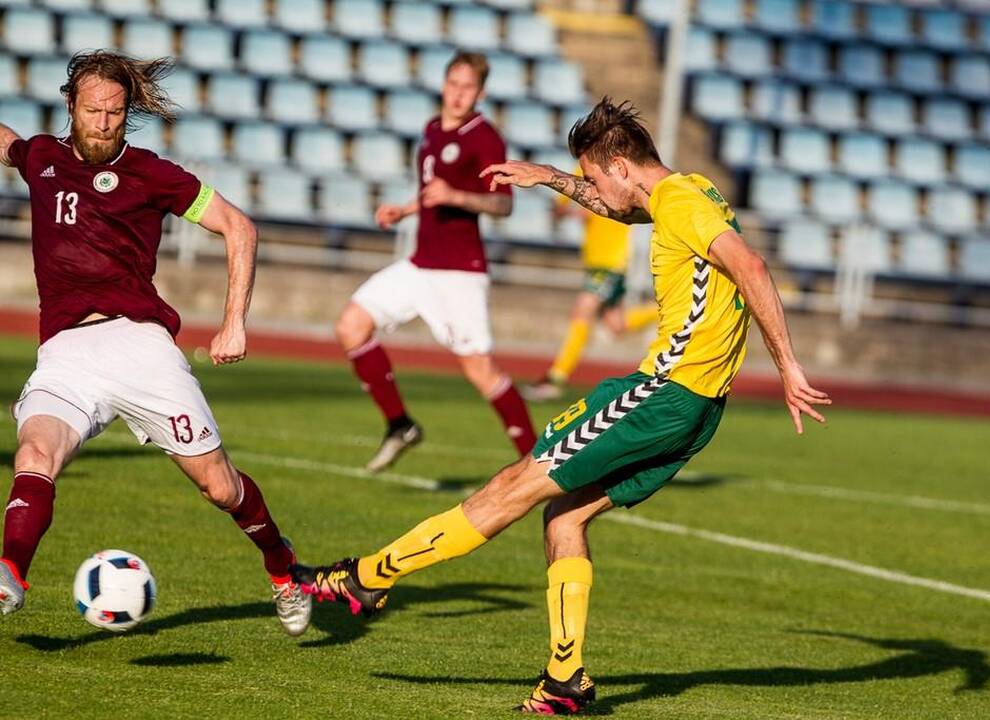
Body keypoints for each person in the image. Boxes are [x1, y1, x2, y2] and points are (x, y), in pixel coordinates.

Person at [291, 98, 830, 713]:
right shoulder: (689, 192)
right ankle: (565, 680)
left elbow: (752, 267)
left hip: (662, 393)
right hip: (697, 408)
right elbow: (622, 212)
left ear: (621, 164)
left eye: (597, 176)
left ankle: (366, 578)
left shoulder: (678, 202)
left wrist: (787, 365)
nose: (598, 193)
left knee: (513, 486)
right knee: (566, 518)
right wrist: (548, 176)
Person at [0, 51, 311, 636]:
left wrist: (233, 322)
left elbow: (238, 226)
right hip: (66, 351)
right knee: (34, 456)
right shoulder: (41, 157)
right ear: (71, 105)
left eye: (115, 113)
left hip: (141, 347)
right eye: (93, 110)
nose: (103, 122)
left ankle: (282, 564)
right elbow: (8, 142)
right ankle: (10, 573)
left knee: (220, 488)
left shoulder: (152, 173)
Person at [335, 51, 536, 472]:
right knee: (351, 324)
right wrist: (405, 210)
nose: (459, 94)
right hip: (419, 263)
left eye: (468, 88)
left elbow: (503, 204)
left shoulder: (485, 137)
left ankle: (537, 462)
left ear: (479, 93)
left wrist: (457, 197)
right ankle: (400, 424)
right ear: (444, 84)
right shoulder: (430, 129)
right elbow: (432, 193)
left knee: (480, 370)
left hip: (460, 271)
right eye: (454, 84)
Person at [524, 170, 658, 401]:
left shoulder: (613, 175)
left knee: (581, 311)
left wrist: (568, 211)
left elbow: (595, 209)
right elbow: (563, 207)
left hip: (611, 263)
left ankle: (556, 378)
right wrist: (560, 210)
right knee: (615, 325)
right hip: (599, 262)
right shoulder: (582, 171)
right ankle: (667, 311)